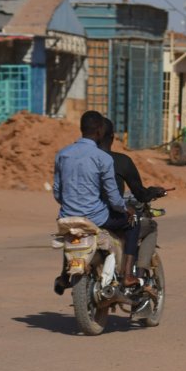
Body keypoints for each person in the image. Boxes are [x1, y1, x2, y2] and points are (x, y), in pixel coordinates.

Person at [52, 111, 140, 294]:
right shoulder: (103, 158)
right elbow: (114, 197)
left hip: (67, 216)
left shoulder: (62, 154)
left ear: (81, 128)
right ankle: (128, 275)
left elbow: (58, 192)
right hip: (97, 218)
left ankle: (64, 274)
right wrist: (126, 209)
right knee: (134, 223)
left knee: (71, 233)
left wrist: (70, 204)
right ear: (100, 131)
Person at [99, 118, 168, 280]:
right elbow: (140, 194)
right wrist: (153, 192)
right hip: (109, 216)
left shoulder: (79, 159)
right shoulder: (120, 161)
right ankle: (135, 273)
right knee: (144, 224)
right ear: (111, 137)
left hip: (85, 215)